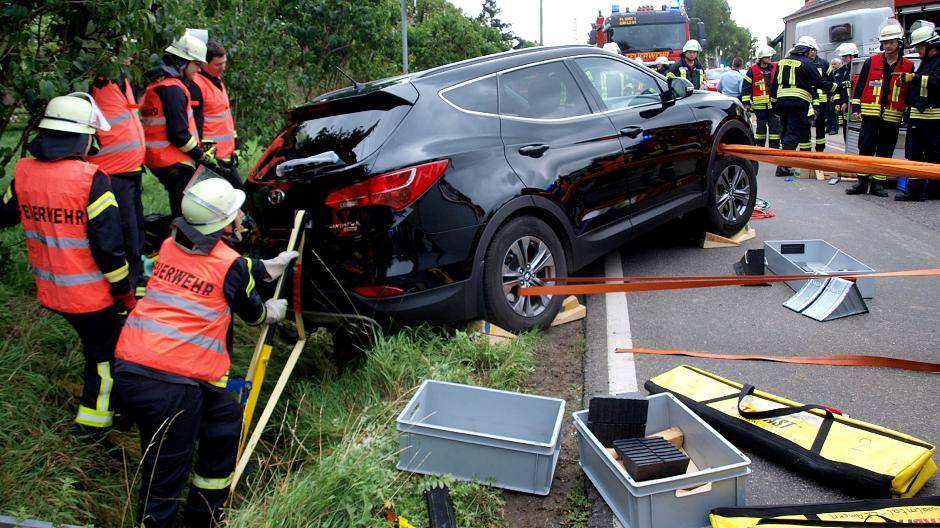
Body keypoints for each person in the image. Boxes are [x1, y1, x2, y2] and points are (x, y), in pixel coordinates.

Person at [113, 175, 297, 527]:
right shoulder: (230, 264)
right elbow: (253, 311)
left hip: (138, 368)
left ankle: (205, 515)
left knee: (226, 423)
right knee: (166, 472)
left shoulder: (171, 246)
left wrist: (271, 266)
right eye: (235, 214)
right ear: (224, 225)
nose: (241, 217)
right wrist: (272, 311)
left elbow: (223, 271)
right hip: (172, 384)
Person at [0, 94, 133, 434]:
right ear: (82, 137)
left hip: (51, 290)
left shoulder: (24, 172)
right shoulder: (92, 180)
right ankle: (95, 423)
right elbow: (109, 248)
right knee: (104, 358)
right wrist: (123, 291)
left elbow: (5, 215)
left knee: (94, 346)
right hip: (91, 296)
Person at [142, 35, 221, 219]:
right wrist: (200, 155)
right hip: (174, 160)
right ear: (182, 63)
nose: (199, 70)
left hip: (160, 160)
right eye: (196, 65)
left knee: (181, 208)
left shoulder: (159, 85)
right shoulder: (173, 90)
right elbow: (179, 134)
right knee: (190, 214)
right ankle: (183, 246)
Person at [89, 76, 147, 293]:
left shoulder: (122, 78)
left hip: (131, 169)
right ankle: (124, 291)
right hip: (111, 171)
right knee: (125, 234)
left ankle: (136, 281)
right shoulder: (97, 81)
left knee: (137, 230)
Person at [847, 22, 914, 197]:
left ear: (899, 43)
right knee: (866, 146)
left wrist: (906, 113)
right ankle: (861, 182)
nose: (888, 45)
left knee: (885, 149)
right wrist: (856, 106)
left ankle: (878, 183)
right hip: (870, 113)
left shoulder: (908, 66)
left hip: (892, 114)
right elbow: (860, 86)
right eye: (885, 42)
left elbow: (909, 92)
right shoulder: (872, 61)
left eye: (891, 42)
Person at [770, 36, 834, 176]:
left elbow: (774, 84)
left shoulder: (782, 62)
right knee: (792, 133)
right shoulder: (807, 63)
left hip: (782, 102)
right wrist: (837, 87)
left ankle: (784, 164)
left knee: (786, 131)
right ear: (807, 50)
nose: (814, 54)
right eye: (813, 50)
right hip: (798, 103)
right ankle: (783, 167)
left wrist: (774, 104)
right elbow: (820, 83)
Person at [895, 21, 940, 201]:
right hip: (919, 117)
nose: (918, 50)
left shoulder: (937, 62)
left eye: (920, 46)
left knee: (932, 155)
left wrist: (914, 77)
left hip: (933, 119)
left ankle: (927, 191)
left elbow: (937, 82)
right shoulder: (926, 62)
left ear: (931, 45)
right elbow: (918, 91)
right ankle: (918, 190)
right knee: (915, 154)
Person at [192, 41, 243, 193]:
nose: (223, 68)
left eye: (224, 63)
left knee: (238, 197)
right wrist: (205, 154)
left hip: (227, 156)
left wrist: (235, 146)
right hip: (211, 158)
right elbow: (195, 124)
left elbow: (224, 118)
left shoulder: (217, 81)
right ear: (203, 64)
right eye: (217, 64)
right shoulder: (197, 85)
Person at [742, 46, 781, 148]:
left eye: (770, 56)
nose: (769, 58)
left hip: (773, 105)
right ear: (761, 58)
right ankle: (760, 149)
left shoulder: (775, 68)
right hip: (759, 107)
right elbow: (746, 87)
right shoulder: (752, 70)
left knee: (774, 129)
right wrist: (746, 104)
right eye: (767, 57)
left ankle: (774, 149)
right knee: (761, 129)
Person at [831, 43, 859, 137]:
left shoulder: (858, 69)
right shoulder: (841, 71)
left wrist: (847, 102)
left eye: (845, 56)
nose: (843, 58)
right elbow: (837, 89)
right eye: (843, 56)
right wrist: (837, 103)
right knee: (846, 133)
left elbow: (856, 89)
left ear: (852, 56)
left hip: (854, 107)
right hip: (843, 107)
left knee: (854, 132)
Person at [810, 50, 835, 151]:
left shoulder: (824, 63)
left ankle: (820, 149)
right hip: (807, 99)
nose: (812, 52)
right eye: (810, 50)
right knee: (806, 124)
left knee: (820, 126)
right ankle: (806, 150)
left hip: (822, 100)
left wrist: (831, 93)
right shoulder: (804, 62)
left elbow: (832, 80)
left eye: (814, 50)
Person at [827, 58, 843, 134]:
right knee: (829, 112)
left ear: (839, 64)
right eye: (832, 64)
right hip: (830, 94)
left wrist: (834, 95)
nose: (833, 65)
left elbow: (838, 85)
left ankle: (834, 129)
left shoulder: (840, 73)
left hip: (836, 95)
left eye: (834, 64)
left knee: (834, 113)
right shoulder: (832, 73)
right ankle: (829, 127)